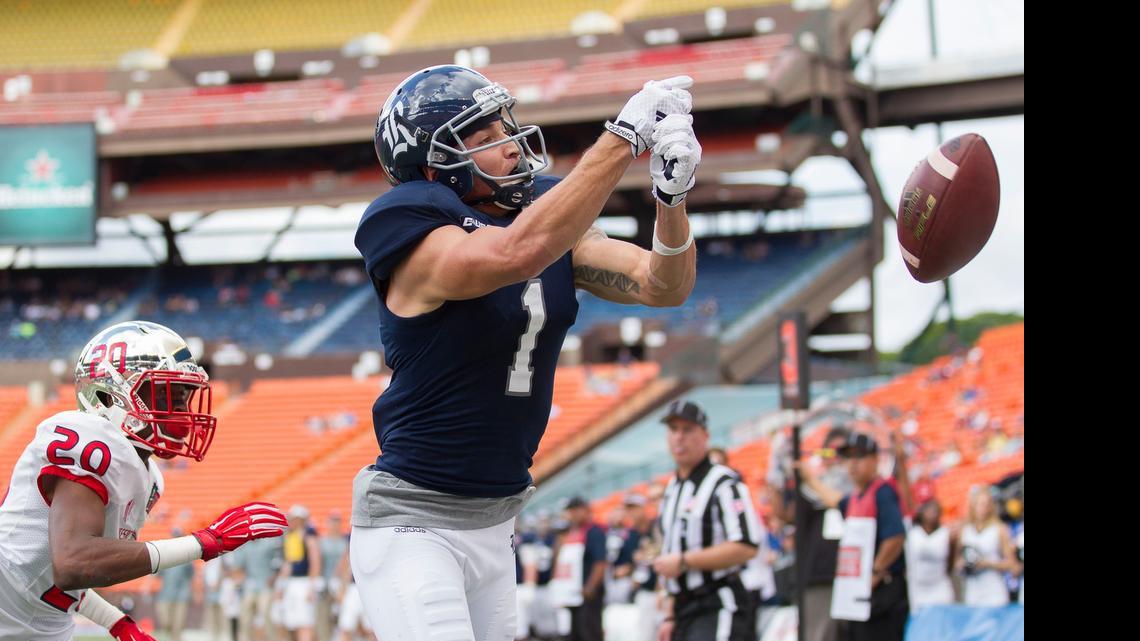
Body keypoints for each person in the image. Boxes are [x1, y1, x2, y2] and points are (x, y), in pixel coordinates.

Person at [350, 64, 700, 641]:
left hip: (498, 519)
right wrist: (622, 140)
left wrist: (671, 199)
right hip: (414, 524)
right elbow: (513, 255)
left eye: (503, 128)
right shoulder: (407, 222)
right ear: (436, 168)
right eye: (483, 139)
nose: (510, 147)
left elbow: (663, 285)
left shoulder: (541, 210)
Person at [0, 320, 288, 641]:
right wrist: (203, 543)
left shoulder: (148, 477)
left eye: (184, 398)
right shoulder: (90, 440)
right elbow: (73, 564)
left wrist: (117, 622)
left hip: (40, 624)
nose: (182, 412)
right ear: (109, 395)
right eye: (167, 396)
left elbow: (50, 579)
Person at [652, 399, 762, 641]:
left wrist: (684, 561)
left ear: (705, 435)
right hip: (682, 609)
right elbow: (670, 550)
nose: (679, 437)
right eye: (673, 430)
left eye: (687, 430)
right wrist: (669, 615)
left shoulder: (723, 483)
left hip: (717, 602)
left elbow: (746, 546)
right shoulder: (672, 488)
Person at [798, 432, 908, 641]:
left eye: (860, 456)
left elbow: (895, 537)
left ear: (875, 459)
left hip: (881, 591)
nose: (853, 464)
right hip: (861, 593)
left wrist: (874, 573)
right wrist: (809, 479)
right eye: (848, 458)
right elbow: (834, 500)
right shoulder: (858, 496)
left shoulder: (882, 492)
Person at [767, 426, 853, 641]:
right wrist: (776, 472)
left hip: (852, 578)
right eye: (829, 452)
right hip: (818, 578)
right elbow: (783, 514)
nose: (835, 459)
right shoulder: (809, 490)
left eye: (843, 453)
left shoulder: (858, 490)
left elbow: (841, 502)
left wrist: (810, 480)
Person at [548, 497, 608, 641]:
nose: (572, 515)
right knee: (572, 634)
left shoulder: (594, 532)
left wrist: (590, 587)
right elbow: (558, 559)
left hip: (586, 594)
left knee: (589, 633)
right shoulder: (569, 532)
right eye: (570, 511)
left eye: (575, 510)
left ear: (585, 510)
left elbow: (600, 562)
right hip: (569, 594)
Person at [957, 486, 1019, 607]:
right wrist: (962, 564)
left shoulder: (999, 529)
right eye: (980, 504)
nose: (983, 508)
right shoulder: (965, 530)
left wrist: (988, 564)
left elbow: (1012, 563)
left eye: (986, 504)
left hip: (994, 588)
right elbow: (957, 560)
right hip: (973, 589)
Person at [278, 505, 322, 641]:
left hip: (304, 582)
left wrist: (312, 586)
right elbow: (289, 564)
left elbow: (315, 561)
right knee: (294, 623)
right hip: (293, 582)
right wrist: (281, 585)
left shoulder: (309, 535)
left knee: (305, 623)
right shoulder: (291, 537)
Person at [905, 500, 956, 610]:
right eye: (930, 511)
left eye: (936, 511)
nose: (933, 514)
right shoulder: (913, 533)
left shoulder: (945, 534)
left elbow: (951, 561)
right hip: (918, 588)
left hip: (939, 586)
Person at [232, 536, 282, 641]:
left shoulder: (269, 543)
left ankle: (272, 638)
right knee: (245, 615)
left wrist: (274, 577)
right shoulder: (245, 546)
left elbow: (278, 562)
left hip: (265, 585)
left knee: (265, 613)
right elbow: (239, 567)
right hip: (250, 585)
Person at [154, 527, 194, 641]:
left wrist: (192, 592)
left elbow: (190, 576)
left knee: (178, 625)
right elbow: (158, 574)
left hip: (181, 595)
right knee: (166, 622)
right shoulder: (166, 555)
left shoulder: (187, 556)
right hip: (166, 594)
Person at [317, 512, 349, 641]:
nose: (335, 525)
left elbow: (346, 564)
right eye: (332, 522)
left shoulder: (345, 542)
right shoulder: (322, 542)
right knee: (323, 616)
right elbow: (318, 563)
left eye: (337, 522)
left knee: (341, 617)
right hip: (325, 583)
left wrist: (342, 584)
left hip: (341, 584)